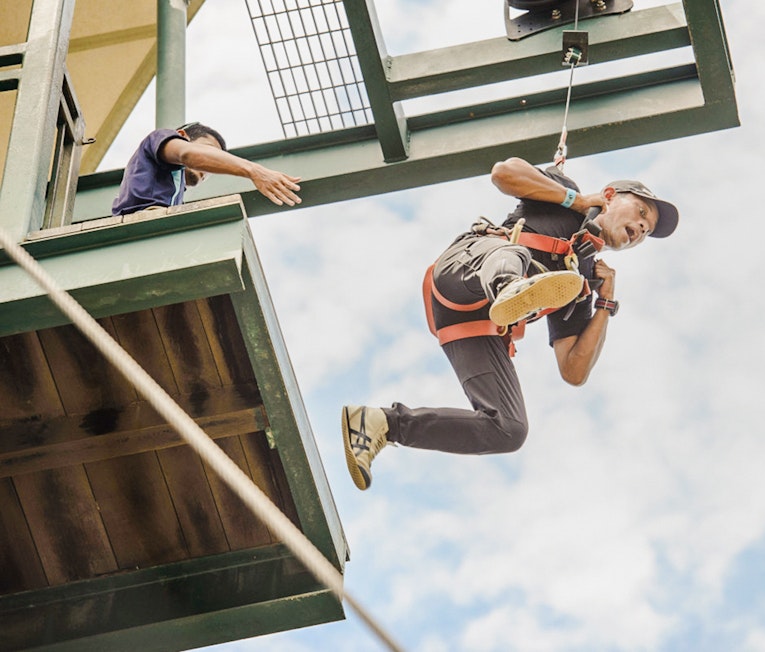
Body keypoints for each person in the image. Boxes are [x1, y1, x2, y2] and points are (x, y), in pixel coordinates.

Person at [342, 156, 679, 490]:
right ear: (609, 196)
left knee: (508, 429)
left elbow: (573, 371)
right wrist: (575, 200)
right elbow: (503, 172)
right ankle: (508, 285)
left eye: (647, 230)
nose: (643, 228)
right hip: (466, 268)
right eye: (642, 212)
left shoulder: (583, 283)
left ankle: (380, 423)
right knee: (516, 255)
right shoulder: (566, 197)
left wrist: (604, 302)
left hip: (470, 325)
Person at [112, 122, 302, 215]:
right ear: (181, 136)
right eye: (209, 151)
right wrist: (254, 170)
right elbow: (187, 154)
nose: (208, 168)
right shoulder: (161, 138)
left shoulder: (172, 191)